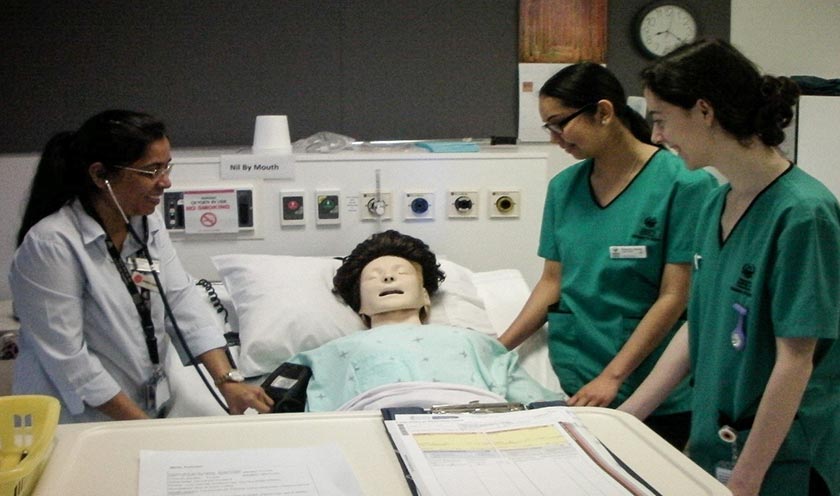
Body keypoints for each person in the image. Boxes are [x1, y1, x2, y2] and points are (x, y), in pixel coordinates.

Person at [619, 39, 839, 496]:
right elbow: (700, 321)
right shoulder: (715, 201)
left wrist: (745, 480)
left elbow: (795, 360)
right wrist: (625, 419)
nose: (656, 136)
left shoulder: (803, 214)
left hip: (781, 461)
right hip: (717, 442)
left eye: (660, 119)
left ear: (704, 111)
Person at [497, 62, 717, 449]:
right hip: (576, 379)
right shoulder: (565, 188)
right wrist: (496, 349)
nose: (556, 139)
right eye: (549, 128)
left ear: (603, 112)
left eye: (560, 123)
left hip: (651, 388)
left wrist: (613, 377)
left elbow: (675, 295)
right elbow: (552, 283)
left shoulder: (686, 184)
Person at [10, 110, 274, 423]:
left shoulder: (145, 224)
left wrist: (228, 381)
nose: (166, 182)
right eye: (151, 171)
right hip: (77, 421)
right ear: (99, 175)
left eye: (166, 167)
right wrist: (140, 427)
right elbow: (71, 362)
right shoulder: (52, 245)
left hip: (142, 410)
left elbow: (180, 300)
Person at [282, 230, 564, 412]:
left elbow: (542, 406)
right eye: (373, 276)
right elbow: (277, 406)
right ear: (360, 307)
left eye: (401, 273)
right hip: (370, 428)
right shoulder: (327, 354)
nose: (388, 277)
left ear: (426, 297)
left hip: (477, 424)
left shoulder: (474, 342)